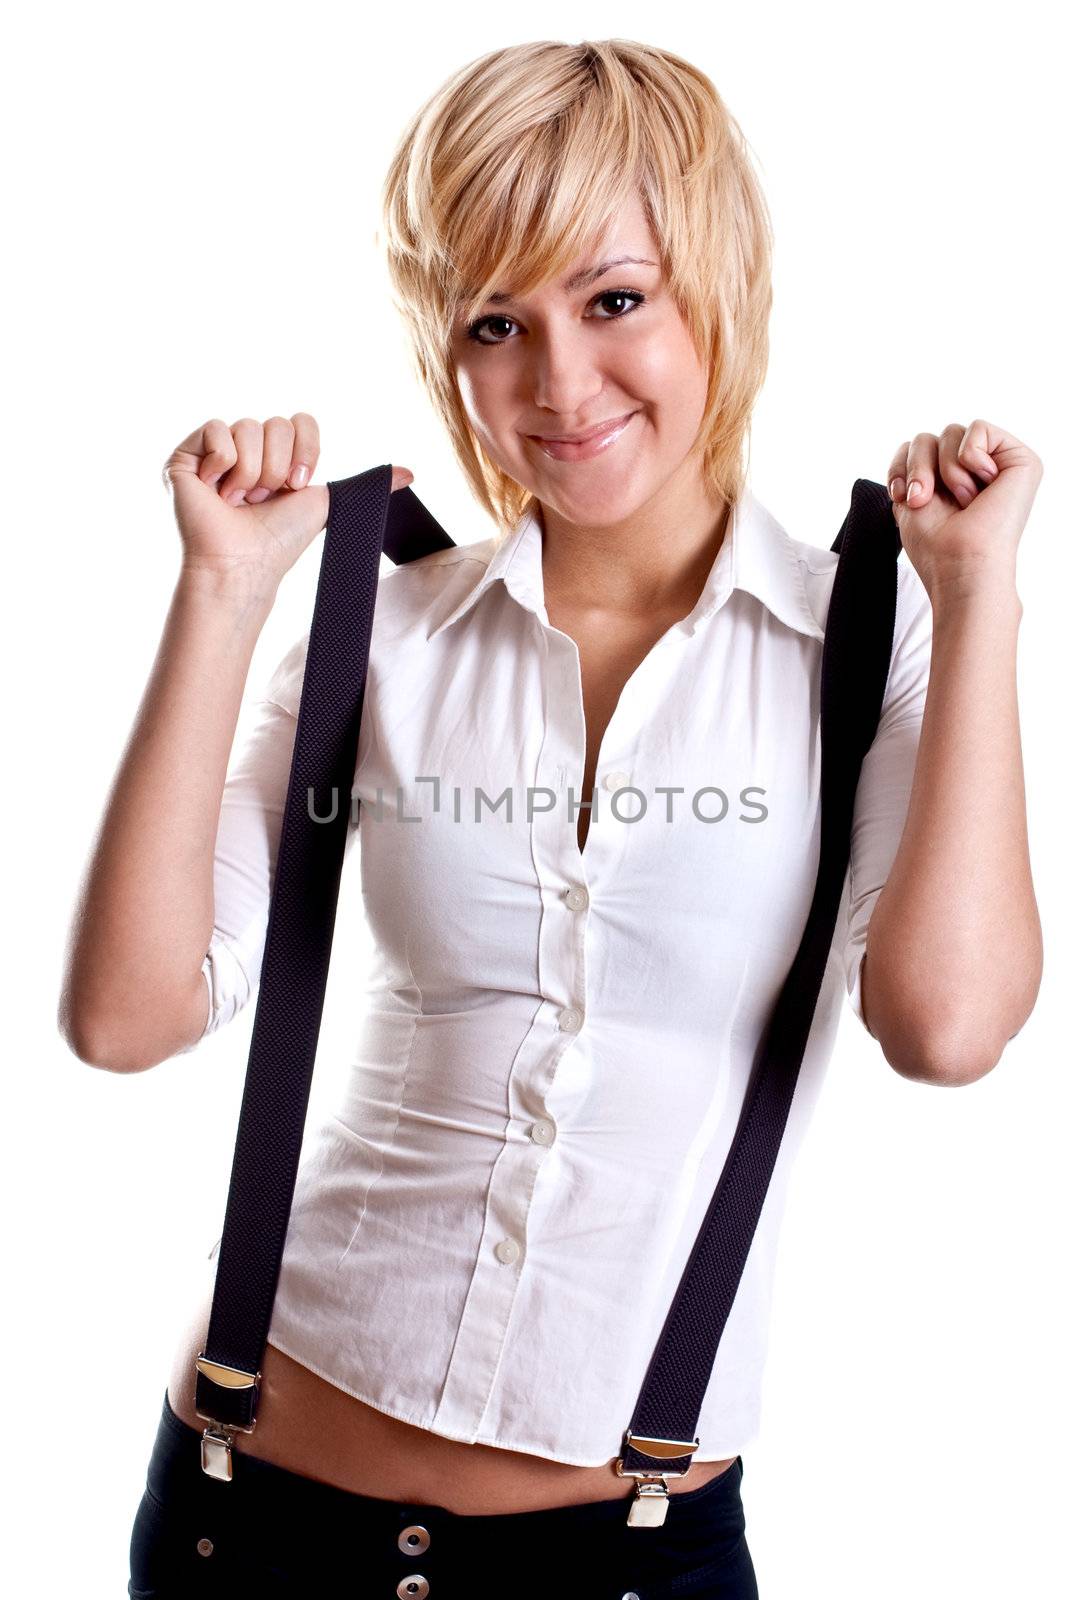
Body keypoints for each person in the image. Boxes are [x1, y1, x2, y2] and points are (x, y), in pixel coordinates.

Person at [58, 37, 1042, 1600]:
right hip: (253, 1509)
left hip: (632, 1558)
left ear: (717, 281)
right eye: (495, 323)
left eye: (614, 300)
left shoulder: (874, 642)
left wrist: (979, 596)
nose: (559, 384)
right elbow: (122, 1018)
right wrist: (223, 595)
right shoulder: (376, 628)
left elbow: (945, 1026)